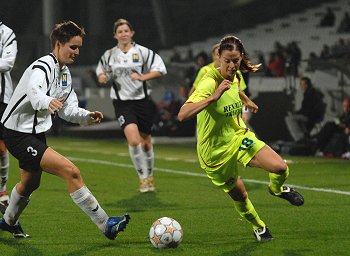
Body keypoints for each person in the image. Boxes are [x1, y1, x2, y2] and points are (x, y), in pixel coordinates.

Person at [0, 21, 130, 239]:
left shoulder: (64, 74)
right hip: (17, 134)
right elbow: (35, 91)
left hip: (34, 134)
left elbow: (68, 110)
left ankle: (8, 222)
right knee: (71, 171)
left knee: (30, 183)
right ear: (58, 44)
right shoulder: (43, 66)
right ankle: (106, 224)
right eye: (72, 47)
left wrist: (87, 116)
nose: (77, 52)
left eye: (79, 47)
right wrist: (46, 101)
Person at [178, 35, 304, 242]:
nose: (231, 65)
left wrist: (248, 101)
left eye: (235, 60)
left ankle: (277, 189)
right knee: (241, 195)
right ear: (218, 57)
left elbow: (236, 89)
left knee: (280, 167)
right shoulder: (209, 81)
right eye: (226, 60)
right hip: (215, 152)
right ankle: (259, 226)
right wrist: (213, 97)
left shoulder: (235, 75)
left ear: (240, 58)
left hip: (238, 136)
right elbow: (182, 114)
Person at [96, 18, 167, 193]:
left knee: (146, 144)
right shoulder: (109, 55)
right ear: (115, 35)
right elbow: (100, 73)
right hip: (122, 103)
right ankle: (142, 178)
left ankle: (150, 176)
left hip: (142, 102)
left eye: (126, 31)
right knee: (134, 141)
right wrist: (102, 78)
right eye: (120, 31)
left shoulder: (143, 52)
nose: (123, 34)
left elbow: (160, 69)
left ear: (132, 33)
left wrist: (143, 77)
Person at [0, 22, 17, 213]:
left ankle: (2, 190)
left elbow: (7, 63)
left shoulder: (6, 33)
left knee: (2, 147)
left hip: (1, 98)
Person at [285, 77, 326, 141]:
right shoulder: (309, 93)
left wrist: (297, 113)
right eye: (301, 84)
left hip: (310, 116)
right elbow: (305, 108)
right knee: (294, 117)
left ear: (308, 84)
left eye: (304, 84)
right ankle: (303, 135)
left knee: (289, 119)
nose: (303, 86)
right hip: (310, 115)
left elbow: (307, 109)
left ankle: (299, 138)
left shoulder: (310, 94)